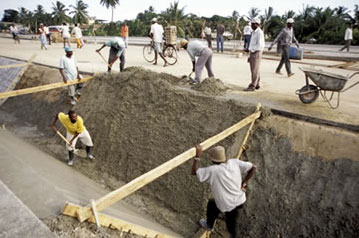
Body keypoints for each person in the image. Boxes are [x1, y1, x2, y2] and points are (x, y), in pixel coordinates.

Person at [191, 145, 256, 238]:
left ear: (212, 160)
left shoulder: (213, 171)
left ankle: (219, 229)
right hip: (240, 199)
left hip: (229, 205)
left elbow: (194, 172)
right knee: (212, 204)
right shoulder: (234, 162)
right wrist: (244, 182)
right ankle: (211, 223)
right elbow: (253, 168)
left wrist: (197, 157)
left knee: (231, 226)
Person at [244, 18, 265, 92]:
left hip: (257, 52)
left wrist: (250, 50)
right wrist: (249, 52)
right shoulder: (254, 32)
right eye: (252, 24)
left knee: (254, 69)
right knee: (254, 69)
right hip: (253, 52)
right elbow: (252, 43)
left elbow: (260, 45)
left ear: (257, 24)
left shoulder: (259, 33)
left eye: (253, 24)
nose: (252, 25)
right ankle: (257, 83)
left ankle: (253, 85)